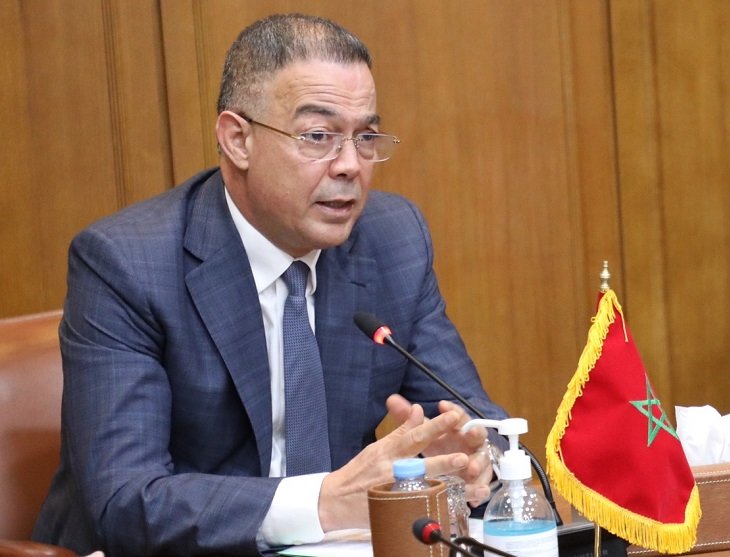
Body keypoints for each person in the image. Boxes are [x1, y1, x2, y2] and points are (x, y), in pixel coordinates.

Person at [33, 13, 508, 557]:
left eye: (365, 137)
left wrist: (475, 460)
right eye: (318, 136)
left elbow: (474, 421)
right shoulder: (127, 263)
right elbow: (125, 500)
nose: (350, 166)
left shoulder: (392, 240)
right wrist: (322, 503)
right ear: (238, 139)